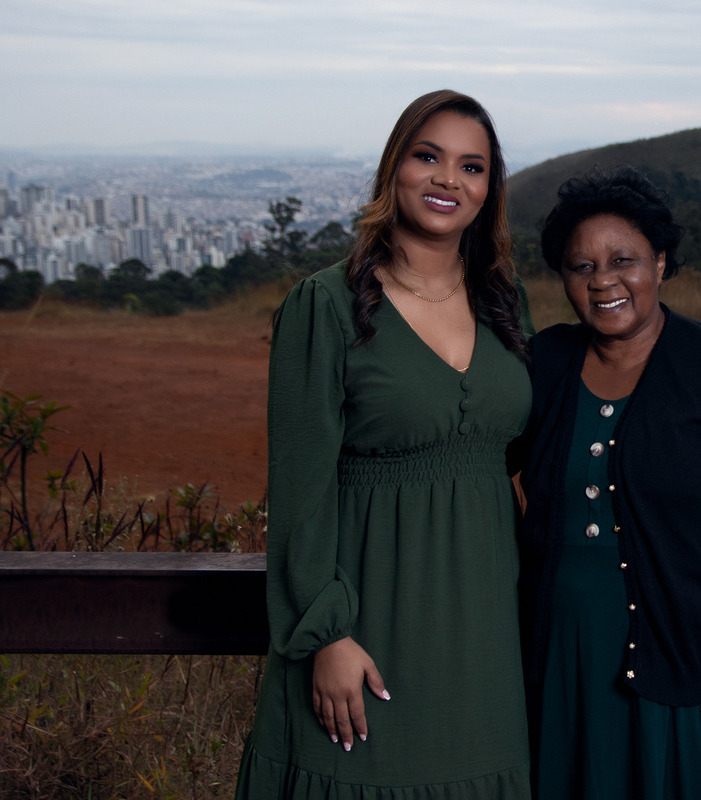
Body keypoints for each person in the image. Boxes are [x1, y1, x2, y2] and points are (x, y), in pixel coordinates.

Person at [235, 90, 534, 799]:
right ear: (393, 166)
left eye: (472, 167)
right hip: (368, 620)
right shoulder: (326, 306)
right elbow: (300, 490)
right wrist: (325, 635)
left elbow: (514, 457)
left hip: (486, 630)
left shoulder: (506, 303)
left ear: (489, 189)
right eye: (427, 156)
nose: (447, 181)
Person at [517, 167, 701, 799]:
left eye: (624, 260)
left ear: (661, 262)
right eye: (580, 266)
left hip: (689, 666)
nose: (604, 282)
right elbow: (474, 459)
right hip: (563, 661)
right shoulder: (545, 363)